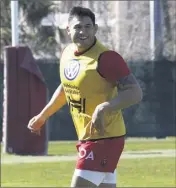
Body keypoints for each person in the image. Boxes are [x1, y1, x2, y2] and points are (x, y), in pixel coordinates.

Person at [27, 6, 143, 188]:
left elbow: (135, 92)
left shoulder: (106, 58)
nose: (83, 32)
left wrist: (104, 107)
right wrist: (43, 116)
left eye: (88, 27)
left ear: (95, 29)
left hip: (105, 137)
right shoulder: (67, 54)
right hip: (87, 137)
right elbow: (66, 88)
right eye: (78, 27)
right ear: (68, 30)